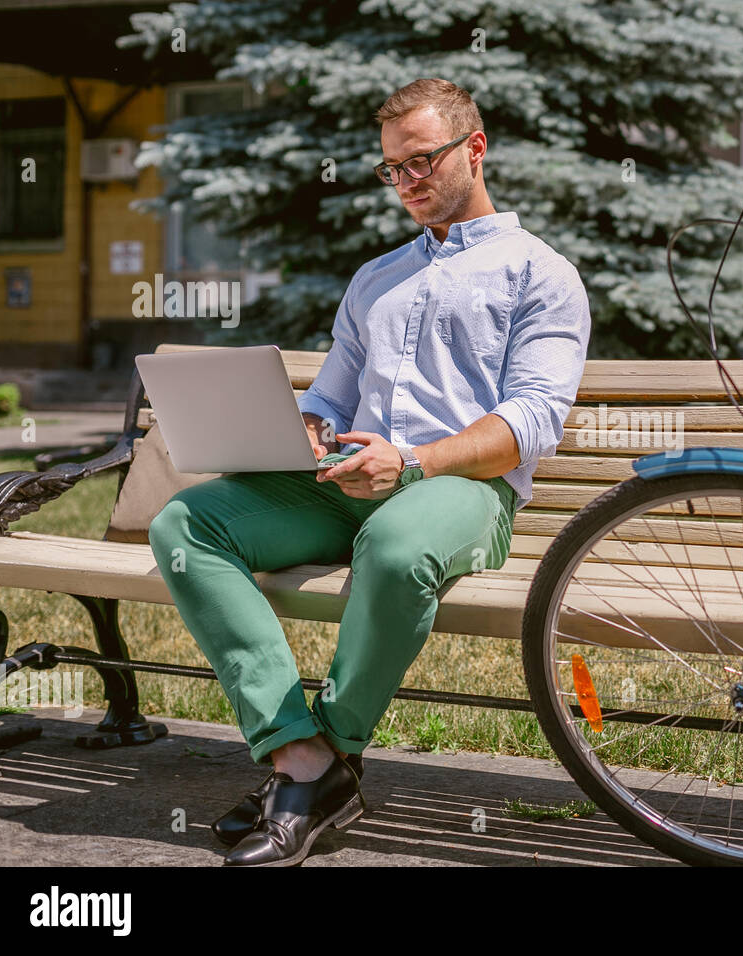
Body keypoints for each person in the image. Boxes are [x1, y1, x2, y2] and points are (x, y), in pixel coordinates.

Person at [148, 77, 592, 867]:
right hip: (349, 485)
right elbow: (330, 393)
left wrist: (414, 461)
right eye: (394, 168)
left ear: (475, 149)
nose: (408, 181)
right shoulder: (376, 279)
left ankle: (328, 754)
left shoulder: (540, 274)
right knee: (187, 524)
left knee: (392, 546)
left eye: (422, 161)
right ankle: (303, 759)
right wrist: (309, 427)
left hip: (462, 492)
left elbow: (531, 423)